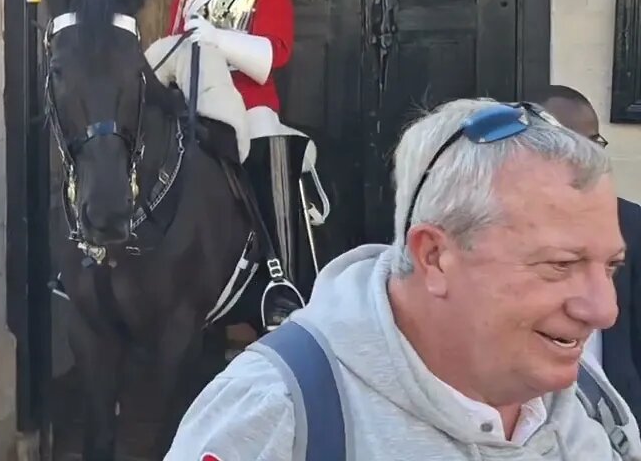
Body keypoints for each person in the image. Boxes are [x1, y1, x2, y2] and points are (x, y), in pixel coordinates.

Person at [166, 98, 641, 459]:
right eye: (559, 265)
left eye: (611, 266)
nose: (604, 310)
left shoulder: (588, 400)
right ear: (434, 257)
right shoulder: (275, 412)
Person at [159, 0, 314, 330]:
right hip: (195, 98)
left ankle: (280, 279)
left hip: (249, 102)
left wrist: (220, 39)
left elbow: (273, 55)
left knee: (270, 154)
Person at [531, 84, 641, 418]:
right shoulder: (501, 226)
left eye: (593, 143)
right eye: (568, 143)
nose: (585, 159)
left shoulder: (632, 224)